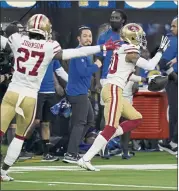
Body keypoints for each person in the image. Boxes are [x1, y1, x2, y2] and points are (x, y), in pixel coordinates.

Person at [0, 14, 119, 181]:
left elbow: (3, 42)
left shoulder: (17, 38)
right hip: (30, 97)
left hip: (13, 92)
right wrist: (101, 48)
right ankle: (3, 171)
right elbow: (74, 53)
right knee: (20, 136)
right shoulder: (50, 46)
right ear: (47, 30)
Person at [77, 23, 170, 171]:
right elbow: (150, 66)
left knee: (136, 118)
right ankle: (86, 158)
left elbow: (127, 74)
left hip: (115, 88)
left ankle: (105, 137)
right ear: (132, 37)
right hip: (113, 90)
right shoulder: (129, 49)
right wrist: (160, 51)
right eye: (139, 36)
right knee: (111, 127)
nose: (141, 39)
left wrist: (143, 80)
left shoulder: (121, 48)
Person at [63, 26, 102, 163]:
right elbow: (83, 72)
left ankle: (74, 147)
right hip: (77, 93)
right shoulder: (79, 52)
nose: (88, 38)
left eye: (90, 36)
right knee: (79, 123)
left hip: (82, 92)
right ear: (78, 38)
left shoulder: (85, 53)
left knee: (89, 120)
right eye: (85, 36)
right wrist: (96, 65)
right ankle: (70, 153)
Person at [158, 17, 178, 156]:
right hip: (174, 79)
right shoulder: (170, 40)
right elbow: (163, 62)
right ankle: (170, 141)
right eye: (171, 26)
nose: (171, 29)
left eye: (174, 26)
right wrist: (175, 77)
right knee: (175, 110)